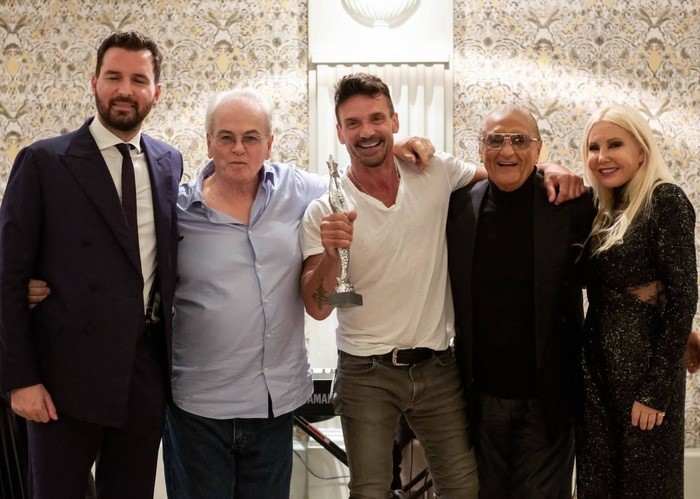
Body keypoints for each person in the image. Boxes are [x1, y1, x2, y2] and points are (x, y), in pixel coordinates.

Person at [299, 73, 582, 499]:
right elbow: (319, 307)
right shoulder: (323, 211)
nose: (366, 131)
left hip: (437, 366)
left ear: (395, 121)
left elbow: (505, 169)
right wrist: (328, 252)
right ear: (339, 132)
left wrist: (550, 167)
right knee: (370, 491)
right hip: (366, 372)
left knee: (463, 489)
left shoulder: (434, 171)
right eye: (353, 123)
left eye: (376, 119)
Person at [159, 89, 436, 499]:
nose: (239, 149)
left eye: (251, 138)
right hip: (198, 410)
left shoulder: (300, 190)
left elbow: (357, 181)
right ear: (209, 142)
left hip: (274, 408)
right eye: (226, 137)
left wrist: (396, 148)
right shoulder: (175, 211)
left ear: (270, 143)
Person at [0, 31, 182, 499]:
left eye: (139, 80)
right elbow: (8, 277)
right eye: (113, 76)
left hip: (142, 377)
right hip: (61, 382)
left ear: (156, 92)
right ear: (94, 82)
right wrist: (20, 380)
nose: (125, 90)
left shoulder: (169, 163)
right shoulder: (43, 161)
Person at [446, 105, 594, 498]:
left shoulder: (571, 204)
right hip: (479, 398)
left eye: (519, 140)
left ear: (538, 148)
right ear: (480, 148)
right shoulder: (457, 207)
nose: (507, 150)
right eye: (495, 140)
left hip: (549, 398)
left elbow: (613, 277)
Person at [575, 104, 697, 498]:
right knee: (597, 486)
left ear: (641, 150)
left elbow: (683, 296)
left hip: (644, 373)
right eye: (593, 147)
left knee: (647, 487)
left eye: (615, 144)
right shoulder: (603, 210)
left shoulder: (665, 199)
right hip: (595, 371)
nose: (602, 157)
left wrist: (655, 392)